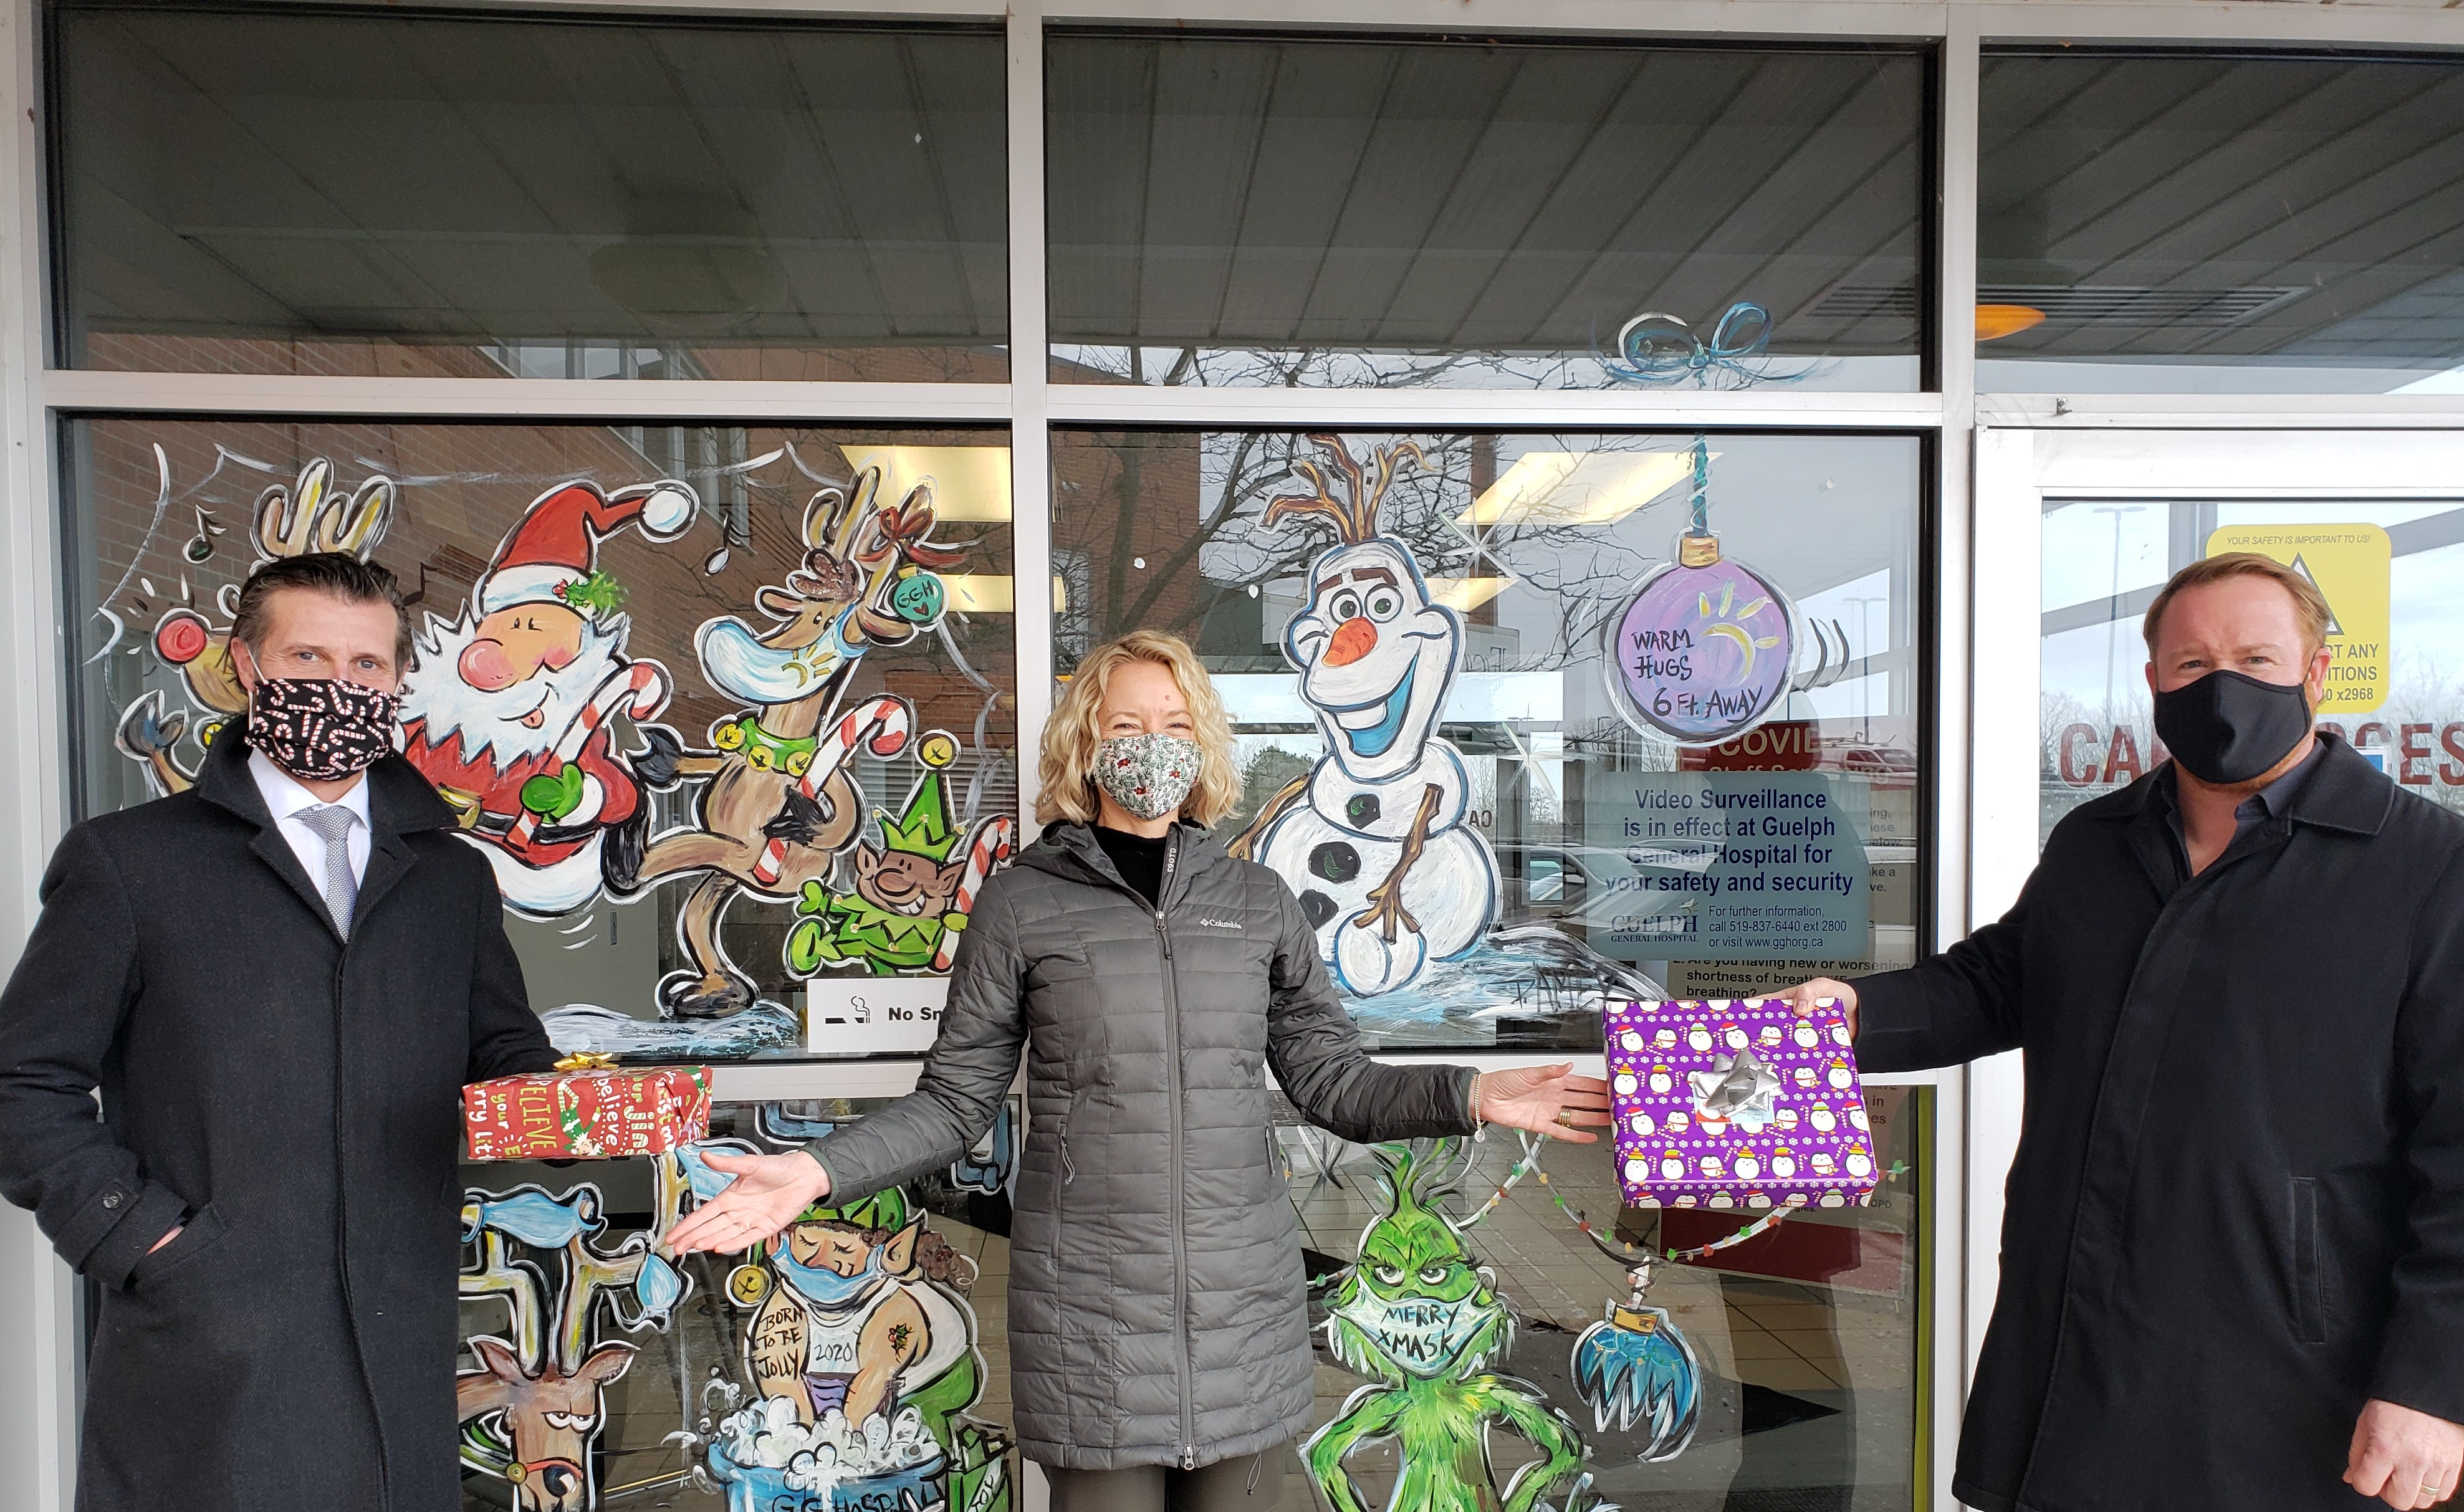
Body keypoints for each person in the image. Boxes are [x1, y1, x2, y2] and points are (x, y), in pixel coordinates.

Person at [666, 629, 1611, 1510]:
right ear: (1088, 745)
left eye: (1174, 725)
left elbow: (1336, 1082)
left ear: (1201, 745)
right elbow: (955, 1103)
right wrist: (814, 1170)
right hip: (1091, 1319)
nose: (1152, 745)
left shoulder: (1258, 901)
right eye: (1126, 725)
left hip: (1242, 1317)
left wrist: (1470, 1092)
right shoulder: (1021, 904)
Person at [1781, 553, 2464, 1512]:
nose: (2222, 685)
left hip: (2292, 1381)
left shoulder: (2427, 868)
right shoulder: (2096, 842)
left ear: (2315, 673)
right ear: (2154, 680)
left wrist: (2434, 1383)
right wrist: (1857, 1015)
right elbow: (2002, 980)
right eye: (2192, 664)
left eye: (2256, 659)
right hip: (2079, 1347)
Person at [0, 553, 559, 1512]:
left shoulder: (450, 877)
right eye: (309, 657)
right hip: (211, 1344)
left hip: (397, 1337)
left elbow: (503, 1048)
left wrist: (564, 1106)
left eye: (366, 665)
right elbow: (22, 1080)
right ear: (246, 665)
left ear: (397, 679)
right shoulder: (130, 862)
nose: (340, 685)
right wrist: (141, 1237)